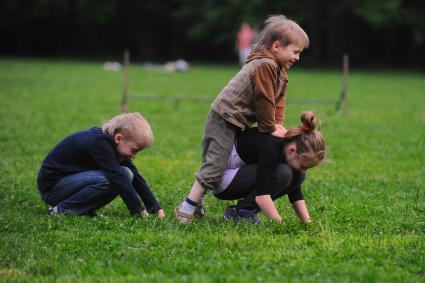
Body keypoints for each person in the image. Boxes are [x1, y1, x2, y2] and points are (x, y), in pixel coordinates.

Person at [174, 14, 310, 224]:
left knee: (219, 163)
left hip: (237, 121)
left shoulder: (280, 71)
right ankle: (187, 207)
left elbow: (278, 100)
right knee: (215, 166)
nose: (297, 57)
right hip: (224, 117)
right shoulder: (265, 64)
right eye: (295, 52)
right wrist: (269, 126)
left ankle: (201, 201)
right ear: (276, 46)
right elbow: (264, 99)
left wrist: (278, 124)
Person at [37, 112, 165, 218]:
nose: (134, 155)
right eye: (134, 150)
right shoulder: (99, 143)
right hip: (53, 189)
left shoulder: (114, 146)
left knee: (127, 174)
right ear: (119, 138)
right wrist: (138, 211)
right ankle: (62, 210)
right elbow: (117, 178)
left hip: (69, 185)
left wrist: (154, 208)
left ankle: (83, 210)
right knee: (114, 178)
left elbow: (135, 176)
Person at [213, 111, 325, 223]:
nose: (303, 170)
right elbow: (262, 196)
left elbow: (295, 191)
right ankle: (241, 213)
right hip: (222, 181)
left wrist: (307, 222)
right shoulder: (271, 148)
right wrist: (280, 224)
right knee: (283, 173)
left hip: (239, 176)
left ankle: (246, 211)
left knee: (298, 176)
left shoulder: (288, 149)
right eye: (303, 165)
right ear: (292, 150)